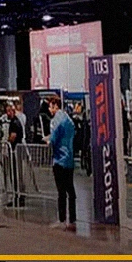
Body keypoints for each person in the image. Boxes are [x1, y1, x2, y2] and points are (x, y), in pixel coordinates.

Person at [45, 94, 77, 232]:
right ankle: (73, 220)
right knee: (71, 191)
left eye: (50, 106)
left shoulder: (55, 121)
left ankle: (62, 220)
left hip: (59, 159)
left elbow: (53, 140)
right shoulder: (68, 119)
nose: (49, 109)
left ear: (55, 105)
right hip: (69, 158)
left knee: (61, 191)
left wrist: (47, 140)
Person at [3, 102, 26, 207]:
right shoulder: (16, 121)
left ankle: (18, 196)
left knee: (16, 174)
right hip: (16, 151)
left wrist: (6, 143)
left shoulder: (14, 123)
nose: (7, 113)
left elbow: (13, 137)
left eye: (9, 111)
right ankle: (18, 196)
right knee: (16, 175)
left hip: (15, 152)